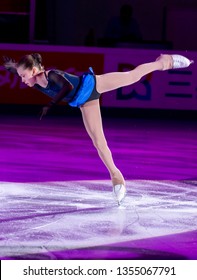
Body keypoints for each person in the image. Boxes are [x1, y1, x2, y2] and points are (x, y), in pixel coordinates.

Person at [3, 53, 193, 205]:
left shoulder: (51, 75)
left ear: (34, 70)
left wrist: (50, 104)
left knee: (133, 76)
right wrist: (12, 66)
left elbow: (68, 87)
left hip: (94, 84)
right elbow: (23, 73)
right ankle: (117, 177)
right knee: (98, 142)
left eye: (23, 75)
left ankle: (163, 62)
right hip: (85, 102)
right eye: (19, 76)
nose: (21, 80)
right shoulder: (34, 80)